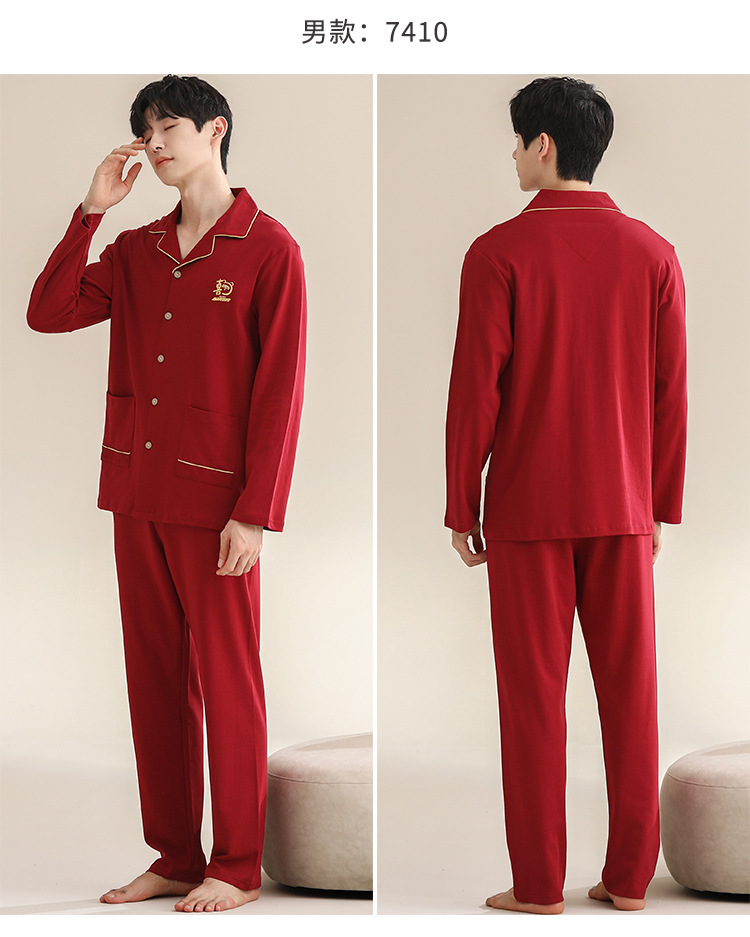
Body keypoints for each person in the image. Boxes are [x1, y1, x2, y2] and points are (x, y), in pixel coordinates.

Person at [27, 75, 307, 912]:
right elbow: (48, 311)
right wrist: (90, 212)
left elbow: (281, 393)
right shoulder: (136, 249)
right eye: (145, 130)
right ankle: (177, 853)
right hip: (136, 492)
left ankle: (238, 862)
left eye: (169, 127)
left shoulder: (269, 248)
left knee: (228, 680)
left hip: (218, 506)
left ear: (215, 130)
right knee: (154, 681)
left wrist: (255, 513)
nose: (153, 144)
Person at [445, 77, 687, 914]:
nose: (512, 155)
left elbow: (474, 391)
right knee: (632, 695)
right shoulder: (654, 253)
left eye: (517, 141)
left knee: (532, 702)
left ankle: (540, 884)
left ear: (542, 145)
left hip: (526, 512)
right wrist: (659, 506)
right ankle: (630, 880)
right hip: (623, 507)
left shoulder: (497, 253)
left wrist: (461, 504)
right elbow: (670, 393)